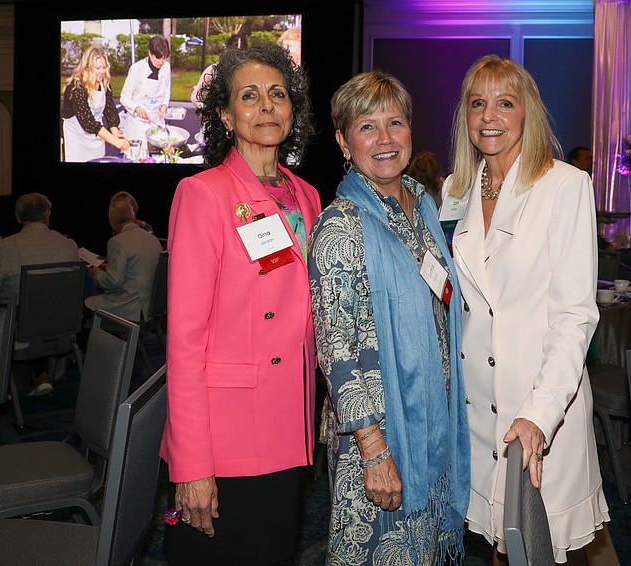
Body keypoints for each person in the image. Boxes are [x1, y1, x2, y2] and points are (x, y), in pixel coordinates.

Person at [444, 55, 610, 564]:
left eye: (505, 103)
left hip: (541, 406)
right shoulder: (455, 190)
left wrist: (540, 414)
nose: (489, 116)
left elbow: (575, 316)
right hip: (478, 412)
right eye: (478, 104)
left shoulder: (564, 186)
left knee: (538, 548)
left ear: (527, 112)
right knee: (501, 546)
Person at [160, 41, 320, 565]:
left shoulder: (307, 196)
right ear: (226, 117)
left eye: (278, 94)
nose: (266, 105)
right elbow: (185, 342)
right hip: (226, 438)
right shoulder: (203, 194)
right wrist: (191, 464)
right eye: (249, 96)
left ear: (293, 110)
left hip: (289, 426)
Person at [309, 71, 470, 564]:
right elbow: (336, 351)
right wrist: (374, 450)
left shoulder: (423, 207)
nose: (384, 139)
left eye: (394, 123)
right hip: (380, 437)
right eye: (367, 127)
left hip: (431, 422)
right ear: (344, 142)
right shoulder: (340, 226)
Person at [0, 193, 80, 395]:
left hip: (21, 337)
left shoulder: (2, 249)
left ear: (17, 217)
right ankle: (41, 374)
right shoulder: (69, 245)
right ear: (48, 215)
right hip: (63, 331)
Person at [84, 201, 162, 322]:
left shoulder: (117, 242)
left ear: (111, 222)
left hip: (130, 308)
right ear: (133, 217)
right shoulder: (153, 240)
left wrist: (95, 273)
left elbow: (113, 282)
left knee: (85, 303)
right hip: (151, 309)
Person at [61, 46, 130, 162]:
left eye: (104, 67)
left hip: (97, 137)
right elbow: (88, 122)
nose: (102, 71)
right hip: (77, 139)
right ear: (87, 67)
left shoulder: (104, 83)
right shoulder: (75, 88)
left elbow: (110, 110)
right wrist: (114, 141)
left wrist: (115, 133)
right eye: (98, 68)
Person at [119, 36, 172, 149]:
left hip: (156, 120)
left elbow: (167, 90)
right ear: (150, 53)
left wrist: (164, 105)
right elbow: (124, 97)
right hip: (137, 124)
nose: (161, 62)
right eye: (157, 58)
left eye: (164, 58)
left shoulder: (166, 67)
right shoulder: (137, 69)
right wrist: (137, 108)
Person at [190, 34, 248, 107]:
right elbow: (195, 95)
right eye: (234, 50)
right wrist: (203, 106)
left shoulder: (248, 72)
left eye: (241, 50)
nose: (237, 55)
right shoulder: (213, 69)